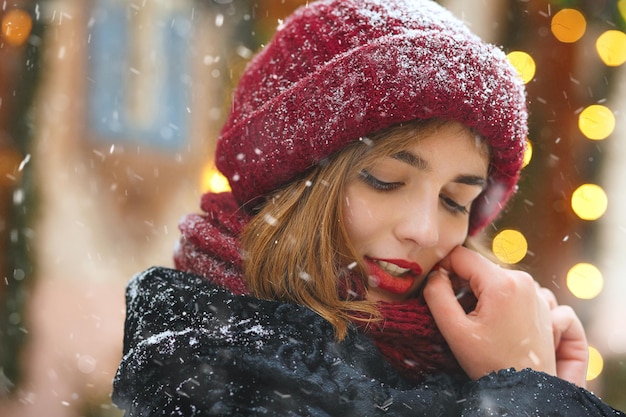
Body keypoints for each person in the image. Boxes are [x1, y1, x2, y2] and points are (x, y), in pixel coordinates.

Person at [112, 0, 626, 415]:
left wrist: (531, 382)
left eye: (455, 200)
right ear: (293, 182)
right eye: (385, 181)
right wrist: (529, 392)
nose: (426, 230)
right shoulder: (210, 358)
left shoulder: (454, 355)